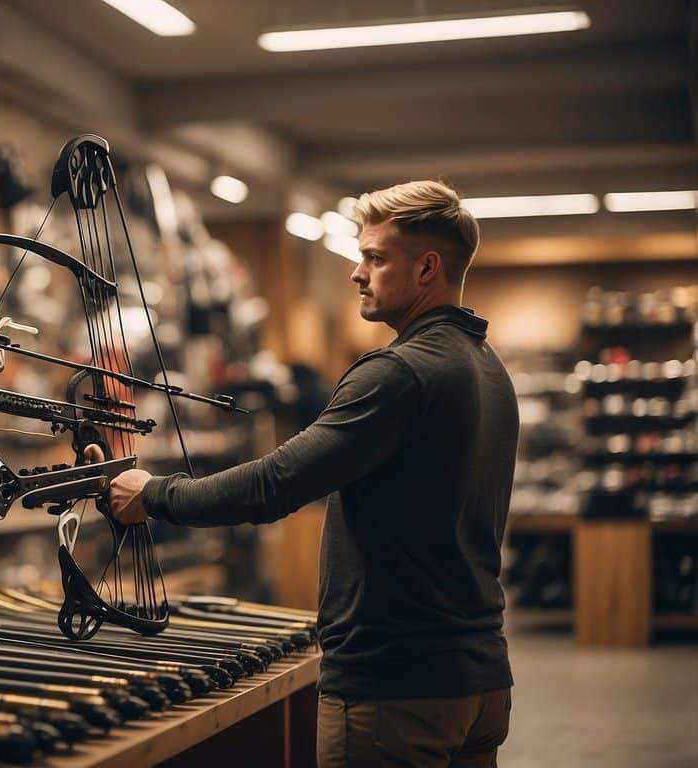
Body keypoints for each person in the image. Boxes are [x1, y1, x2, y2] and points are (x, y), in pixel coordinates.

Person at [90, 180, 517, 767]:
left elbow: (276, 483)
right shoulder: (487, 367)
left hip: (397, 686)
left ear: (427, 269)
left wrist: (156, 494)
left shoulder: (397, 373)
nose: (356, 273)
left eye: (375, 258)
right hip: (478, 680)